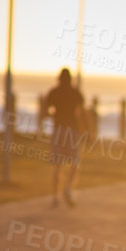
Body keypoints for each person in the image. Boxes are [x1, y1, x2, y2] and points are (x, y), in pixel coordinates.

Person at [43, 68, 86, 207]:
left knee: (57, 165)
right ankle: (68, 188)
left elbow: (45, 110)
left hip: (58, 130)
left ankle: (55, 197)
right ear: (70, 78)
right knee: (74, 163)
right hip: (72, 131)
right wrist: (86, 131)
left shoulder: (54, 92)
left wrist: (51, 117)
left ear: (59, 78)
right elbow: (80, 113)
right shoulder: (75, 93)